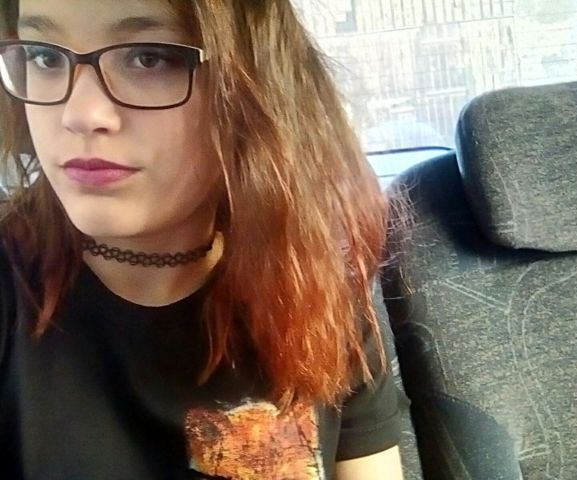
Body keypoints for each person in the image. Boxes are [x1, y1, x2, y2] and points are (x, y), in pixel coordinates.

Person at [0, 0, 405, 479]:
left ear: (255, 84)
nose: (80, 114)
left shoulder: (314, 280)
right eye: (45, 56)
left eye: (149, 57)